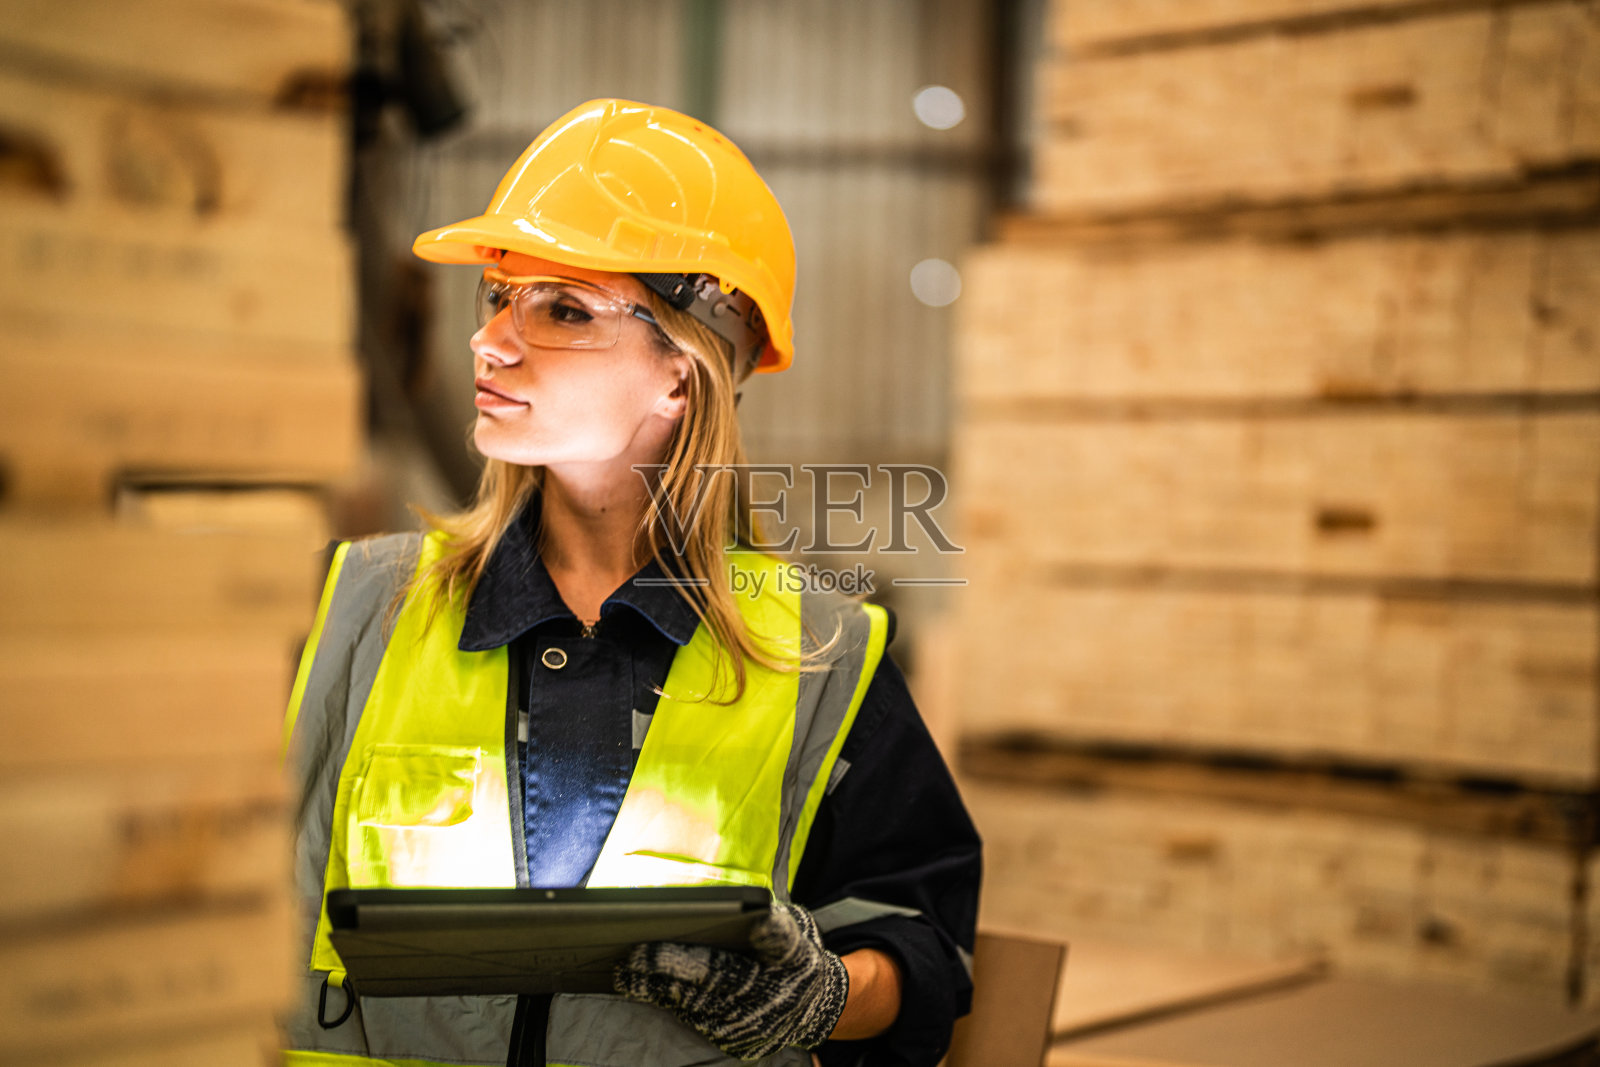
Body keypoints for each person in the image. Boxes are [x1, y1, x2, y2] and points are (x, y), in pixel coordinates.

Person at [280, 98, 981, 1067]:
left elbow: (922, 941)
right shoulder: (357, 607)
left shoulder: (820, 656)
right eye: (498, 296)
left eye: (563, 308)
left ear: (682, 377)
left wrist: (824, 994)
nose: (490, 340)